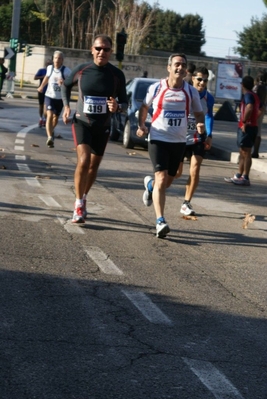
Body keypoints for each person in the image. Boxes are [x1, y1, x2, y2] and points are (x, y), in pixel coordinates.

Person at [61, 34, 128, 224]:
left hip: (103, 126)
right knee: (83, 160)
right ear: (92, 50)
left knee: (93, 166)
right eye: (98, 48)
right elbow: (65, 86)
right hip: (82, 122)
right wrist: (66, 107)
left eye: (106, 49)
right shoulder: (82, 70)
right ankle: (78, 204)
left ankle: (83, 197)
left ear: (111, 52)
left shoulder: (117, 75)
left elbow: (125, 102)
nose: (102, 52)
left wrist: (118, 107)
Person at [137, 53, 205, 238]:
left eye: (183, 65)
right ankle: (160, 221)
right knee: (161, 177)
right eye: (177, 64)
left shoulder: (191, 92)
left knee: (169, 179)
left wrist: (200, 123)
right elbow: (144, 107)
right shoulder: (157, 88)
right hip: (158, 138)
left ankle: (150, 186)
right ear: (169, 68)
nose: (180, 68)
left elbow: (199, 114)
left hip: (178, 141)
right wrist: (142, 125)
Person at [176, 66, 214, 216]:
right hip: (180, 138)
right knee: (176, 173)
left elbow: (209, 116)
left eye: (205, 80)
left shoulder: (208, 98)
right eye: (199, 79)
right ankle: (153, 185)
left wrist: (209, 134)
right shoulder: (184, 93)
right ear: (192, 79)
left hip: (198, 137)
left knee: (195, 168)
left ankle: (186, 202)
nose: (202, 83)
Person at [224, 75, 262, 186]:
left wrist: (245, 121)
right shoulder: (255, 95)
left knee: (246, 152)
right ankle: (239, 175)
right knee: (242, 151)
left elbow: (249, 107)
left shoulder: (248, 95)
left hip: (247, 127)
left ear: (243, 85)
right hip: (251, 126)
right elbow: (261, 109)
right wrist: (254, 119)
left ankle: (245, 177)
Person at [37, 51, 71, 148]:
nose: (57, 60)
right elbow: (46, 78)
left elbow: (74, 83)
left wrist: (64, 83)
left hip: (60, 98)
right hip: (49, 96)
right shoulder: (50, 68)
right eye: (55, 58)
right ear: (53, 59)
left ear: (62, 60)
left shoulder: (66, 71)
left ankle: (51, 131)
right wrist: (41, 86)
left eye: (59, 58)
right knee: (49, 115)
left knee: (55, 118)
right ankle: (49, 137)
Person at [251, 71, 267, 158]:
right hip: (263, 109)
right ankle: (256, 151)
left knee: (254, 131)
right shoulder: (265, 87)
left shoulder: (257, 87)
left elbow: (253, 97)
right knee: (258, 131)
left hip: (256, 110)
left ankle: (254, 151)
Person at [34, 59, 53, 127]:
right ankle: (41, 118)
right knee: (41, 105)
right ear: (45, 64)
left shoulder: (53, 71)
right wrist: (44, 76)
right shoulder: (41, 70)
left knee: (46, 106)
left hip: (49, 91)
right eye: (48, 63)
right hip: (42, 90)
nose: (49, 65)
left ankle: (45, 119)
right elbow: (35, 77)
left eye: (50, 64)